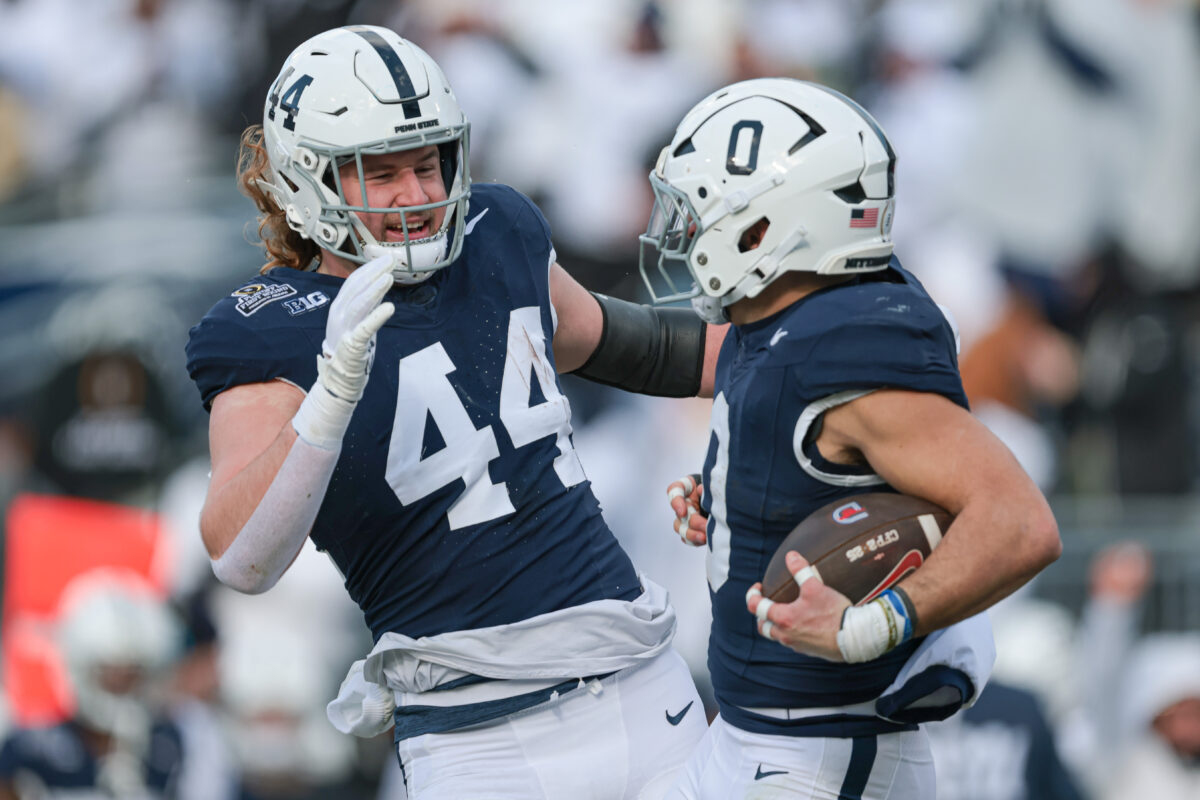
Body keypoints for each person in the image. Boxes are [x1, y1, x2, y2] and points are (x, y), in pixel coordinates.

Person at [185, 25, 725, 800]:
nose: (416, 194)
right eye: (382, 173)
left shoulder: (494, 234)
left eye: (426, 161)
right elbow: (241, 557)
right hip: (479, 740)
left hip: (642, 684)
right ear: (308, 179)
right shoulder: (270, 324)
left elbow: (638, 346)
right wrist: (330, 398)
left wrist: (803, 356)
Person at [643, 78, 1062, 798]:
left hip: (817, 755)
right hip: (760, 736)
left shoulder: (842, 344)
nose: (681, 231)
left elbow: (1020, 522)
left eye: (702, 210)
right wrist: (736, 504)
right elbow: (826, 468)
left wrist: (870, 626)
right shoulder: (779, 317)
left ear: (765, 227)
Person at [0, 570, 185, 799]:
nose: (120, 685)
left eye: (131, 674)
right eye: (109, 673)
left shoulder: (171, 745)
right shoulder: (30, 750)